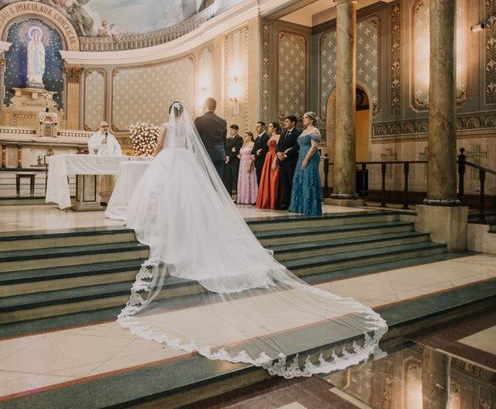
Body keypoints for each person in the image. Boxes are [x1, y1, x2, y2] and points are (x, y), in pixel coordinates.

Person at [120, 101, 387, 378]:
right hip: (187, 163)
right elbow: (192, 147)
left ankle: (164, 222)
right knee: (191, 200)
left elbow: (161, 147)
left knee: (160, 193)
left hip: (169, 162)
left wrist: (154, 155)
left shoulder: (168, 127)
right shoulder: (198, 127)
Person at [289, 112, 323, 216]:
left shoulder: (315, 130)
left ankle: (310, 207)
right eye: (303, 118)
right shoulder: (304, 131)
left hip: (310, 157)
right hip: (301, 157)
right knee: (300, 180)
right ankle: (301, 206)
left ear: (311, 120)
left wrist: (306, 159)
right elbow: (300, 145)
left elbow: (314, 147)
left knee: (309, 179)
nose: (304, 119)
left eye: (306, 118)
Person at [88, 121, 122, 203]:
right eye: (103, 126)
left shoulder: (111, 137)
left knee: (111, 179)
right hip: (100, 161)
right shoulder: (95, 136)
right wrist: (101, 142)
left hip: (110, 161)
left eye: (107, 126)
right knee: (101, 179)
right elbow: (91, 147)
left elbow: (117, 147)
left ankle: (111, 199)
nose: (105, 128)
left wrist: (116, 155)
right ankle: (101, 198)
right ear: (99, 127)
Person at [194, 97, 227, 179]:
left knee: (206, 182)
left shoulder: (199, 120)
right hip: (220, 156)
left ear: (205, 106)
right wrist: (225, 153)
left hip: (206, 156)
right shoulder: (222, 121)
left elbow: (196, 139)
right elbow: (224, 140)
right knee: (218, 182)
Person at [276, 115, 301, 210]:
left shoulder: (297, 133)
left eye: (287, 121)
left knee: (291, 182)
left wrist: (286, 155)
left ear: (293, 123)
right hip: (282, 162)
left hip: (291, 161)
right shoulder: (283, 133)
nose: (284, 123)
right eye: (284, 121)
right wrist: (278, 153)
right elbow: (279, 146)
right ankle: (284, 203)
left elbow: (296, 146)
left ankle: (292, 203)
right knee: (284, 183)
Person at [255, 121, 282, 209]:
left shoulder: (278, 136)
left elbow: (278, 149)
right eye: (269, 126)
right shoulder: (270, 137)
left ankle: (273, 201)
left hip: (273, 157)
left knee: (273, 178)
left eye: (270, 126)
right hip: (268, 157)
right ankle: (266, 200)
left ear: (275, 128)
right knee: (267, 178)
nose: (268, 128)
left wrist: (275, 161)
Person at [236, 131, 257, 204]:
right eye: (244, 136)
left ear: (250, 136)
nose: (244, 137)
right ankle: (242, 198)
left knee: (249, 179)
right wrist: (239, 156)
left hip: (249, 162)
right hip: (242, 163)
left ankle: (250, 199)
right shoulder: (244, 144)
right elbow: (240, 154)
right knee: (243, 180)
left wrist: (249, 164)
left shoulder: (253, 144)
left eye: (246, 136)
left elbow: (253, 155)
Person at [223, 124, 243, 198]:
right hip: (228, 161)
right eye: (231, 130)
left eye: (233, 130)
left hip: (234, 161)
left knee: (235, 178)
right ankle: (228, 196)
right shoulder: (228, 139)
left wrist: (229, 157)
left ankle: (238, 196)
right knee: (228, 179)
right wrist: (227, 156)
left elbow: (236, 150)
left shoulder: (239, 138)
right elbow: (226, 148)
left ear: (237, 130)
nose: (231, 131)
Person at [250, 121, 269, 186]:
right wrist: (252, 155)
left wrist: (255, 156)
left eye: (258, 126)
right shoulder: (257, 138)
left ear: (263, 127)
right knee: (258, 180)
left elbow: (264, 150)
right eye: (256, 127)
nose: (256, 128)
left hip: (262, 161)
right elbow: (254, 150)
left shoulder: (266, 137)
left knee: (261, 180)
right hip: (257, 162)